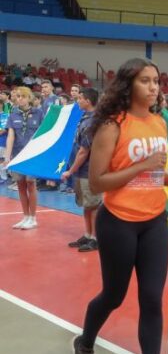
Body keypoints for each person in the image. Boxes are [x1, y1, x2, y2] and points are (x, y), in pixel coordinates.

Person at [71, 58, 168, 354]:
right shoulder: (112, 125)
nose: (153, 87)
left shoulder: (158, 122)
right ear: (128, 85)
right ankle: (85, 342)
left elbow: (152, 174)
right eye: (145, 80)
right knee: (113, 296)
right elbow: (98, 182)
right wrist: (143, 165)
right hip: (118, 223)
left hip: (154, 222)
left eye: (156, 81)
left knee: (152, 299)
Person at [61, 87, 101, 252]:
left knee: (93, 205)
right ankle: (87, 234)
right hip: (81, 170)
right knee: (86, 205)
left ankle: (96, 238)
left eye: (80, 98)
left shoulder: (93, 121)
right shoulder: (84, 117)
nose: (77, 100)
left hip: (89, 170)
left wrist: (70, 171)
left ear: (88, 101)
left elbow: (84, 151)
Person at [3, 86, 43, 229]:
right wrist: (7, 157)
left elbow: (42, 134)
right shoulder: (13, 114)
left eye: (22, 96)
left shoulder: (39, 113)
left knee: (31, 184)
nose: (19, 99)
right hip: (17, 155)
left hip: (32, 156)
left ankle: (33, 217)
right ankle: (25, 216)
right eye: (17, 96)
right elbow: (10, 136)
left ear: (29, 98)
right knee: (20, 185)